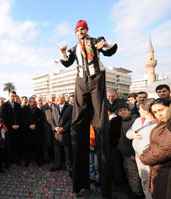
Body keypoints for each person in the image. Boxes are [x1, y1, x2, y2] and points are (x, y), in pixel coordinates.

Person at [59, 19, 117, 198]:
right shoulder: (74, 48)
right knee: (78, 125)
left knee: (100, 120)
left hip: (96, 80)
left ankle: (106, 188)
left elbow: (110, 51)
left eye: (83, 29)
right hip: (81, 83)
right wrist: (62, 52)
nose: (80, 32)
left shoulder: (96, 40)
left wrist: (105, 44)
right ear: (75, 32)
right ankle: (80, 183)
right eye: (78, 30)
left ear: (87, 30)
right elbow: (67, 62)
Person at [140, 98, 171, 199]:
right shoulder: (162, 123)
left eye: (161, 110)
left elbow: (165, 149)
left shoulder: (169, 126)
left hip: (166, 172)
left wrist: (144, 158)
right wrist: (146, 152)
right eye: (155, 112)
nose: (159, 114)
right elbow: (153, 144)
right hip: (158, 171)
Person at [126, 99, 156, 199]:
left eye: (140, 109)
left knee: (153, 181)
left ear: (147, 111)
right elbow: (128, 133)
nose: (138, 111)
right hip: (139, 156)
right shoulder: (138, 120)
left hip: (152, 157)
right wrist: (132, 135)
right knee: (144, 179)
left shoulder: (157, 123)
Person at [116, 103, 144, 199]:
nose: (122, 112)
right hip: (124, 152)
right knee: (128, 171)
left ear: (129, 111)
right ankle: (133, 190)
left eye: (124, 109)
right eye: (120, 111)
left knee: (133, 174)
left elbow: (135, 139)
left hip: (132, 152)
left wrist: (133, 153)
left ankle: (137, 193)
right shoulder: (121, 121)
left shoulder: (134, 121)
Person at [50, 94, 72, 172]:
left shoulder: (70, 107)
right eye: (57, 98)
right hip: (57, 134)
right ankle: (57, 165)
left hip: (65, 133)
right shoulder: (54, 107)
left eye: (59, 98)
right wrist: (55, 128)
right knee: (57, 151)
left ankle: (69, 166)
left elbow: (71, 120)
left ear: (63, 98)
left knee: (67, 152)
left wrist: (64, 128)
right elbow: (51, 120)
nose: (57, 99)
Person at [1, 91, 22, 166]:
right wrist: (11, 125)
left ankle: (16, 160)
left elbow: (20, 117)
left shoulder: (18, 105)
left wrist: (18, 125)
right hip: (9, 128)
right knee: (9, 145)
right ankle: (8, 161)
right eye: (11, 96)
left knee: (16, 144)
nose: (13, 97)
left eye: (14, 96)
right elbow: (4, 118)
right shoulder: (4, 105)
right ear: (8, 96)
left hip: (17, 128)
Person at [21, 97, 43, 167]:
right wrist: (29, 125)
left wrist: (35, 125)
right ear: (29, 102)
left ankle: (38, 161)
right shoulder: (24, 110)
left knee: (37, 148)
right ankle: (27, 161)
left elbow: (41, 120)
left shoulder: (39, 110)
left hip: (36, 132)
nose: (34, 103)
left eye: (35, 102)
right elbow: (22, 120)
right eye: (33, 102)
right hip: (27, 132)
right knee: (27, 148)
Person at [41, 94, 55, 164]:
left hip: (55, 129)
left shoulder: (56, 106)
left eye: (53, 98)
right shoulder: (44, 107)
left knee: (54, 144)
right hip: (46, 129)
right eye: (51, 98)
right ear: (48, 99)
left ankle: (54, 158)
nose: (53, 99)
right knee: (46, 144)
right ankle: (46, 159)